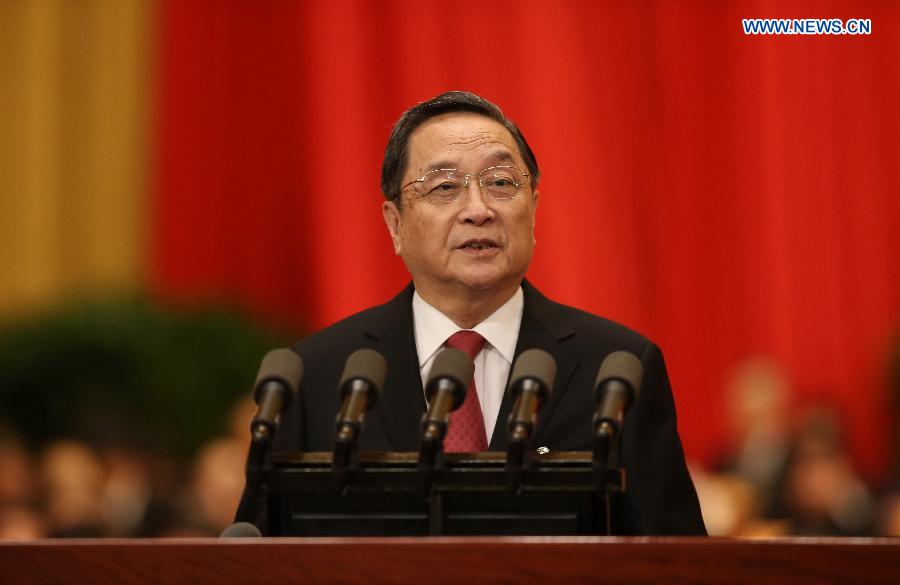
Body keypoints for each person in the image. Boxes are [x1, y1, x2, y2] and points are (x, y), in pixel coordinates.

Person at [265, 91, 705, 535]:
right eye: (444, 187)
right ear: (395, 225)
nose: (479, 210)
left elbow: (676, 558)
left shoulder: (616, 368)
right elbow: (259, 553)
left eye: (500, 182)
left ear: (533, 207)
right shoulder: (319, 376)